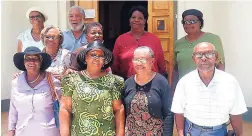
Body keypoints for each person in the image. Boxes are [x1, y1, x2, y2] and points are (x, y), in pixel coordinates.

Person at [171, 42, 247, 136]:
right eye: (198, 54)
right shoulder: (185, 81)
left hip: (219, 132)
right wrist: (181, 133)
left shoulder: (230, 81)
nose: (203, 58)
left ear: (216, 57)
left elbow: (236, 113)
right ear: (193, 59)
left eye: (209, 54)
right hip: (191, 131)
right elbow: (179, 111)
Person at [59, 41, 125, 136]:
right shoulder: (72, 80)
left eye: (100, 56)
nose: (96, 58)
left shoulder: (114, 81)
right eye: (93, 55)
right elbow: (65, 109)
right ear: (86, 58)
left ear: (104, 60)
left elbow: (119, 110)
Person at [8, 46, 60, 136]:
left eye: (35, 59)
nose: (31, 62)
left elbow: (63, 106)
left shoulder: (51, 80)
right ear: (24, 62)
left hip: (48, 132)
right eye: (28, 59)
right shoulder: (16, 82)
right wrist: (11, 132)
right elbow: (13, 111)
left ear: (41, 62)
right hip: (23, 131)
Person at [123, 46, 174, 136]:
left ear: (152, 61)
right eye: (136, 59)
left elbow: (168, 113)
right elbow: (123, 113)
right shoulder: (128, 83)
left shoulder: (161, 82)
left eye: (143, 59)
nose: (139, 63)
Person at [173, 9, 225, 89]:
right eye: (185, 22)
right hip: (185, 87)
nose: (188, 24)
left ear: (200, 23)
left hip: (208, 86)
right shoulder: (178, 43)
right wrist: (173, 88)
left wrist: (218, 85)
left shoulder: (213, 39)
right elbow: (176, 69)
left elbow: (220, 64)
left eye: (192, 21)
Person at [112, 5, 167, 80]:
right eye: (133, 17)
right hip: (128, 82)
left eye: (140, 18)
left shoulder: (154, 39)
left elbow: (161, 65)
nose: (136, 20)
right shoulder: (120, 40)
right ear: (129, 19)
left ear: (145, 21)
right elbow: (115, 65)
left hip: (152, 82)